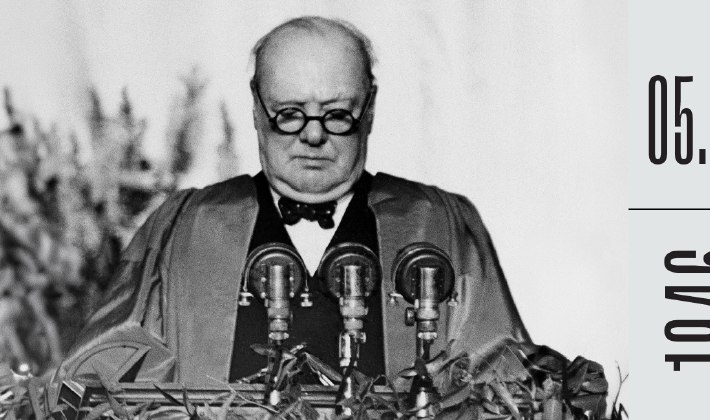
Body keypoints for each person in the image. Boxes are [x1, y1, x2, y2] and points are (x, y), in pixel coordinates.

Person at [50, 16, 534, 397]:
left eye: (338, 114)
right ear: (256, 108)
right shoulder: (185, 227)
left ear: (370, 108)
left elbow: (502, 379)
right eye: (289, 114)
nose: (314, 135)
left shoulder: (439, 223)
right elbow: (100, 376)